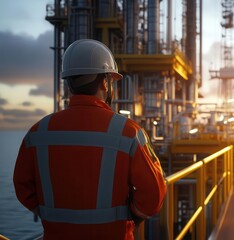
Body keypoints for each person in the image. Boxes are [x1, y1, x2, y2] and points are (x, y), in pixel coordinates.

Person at [13, 39, 166, 240]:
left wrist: (53, 215)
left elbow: (23, 186)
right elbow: (153, 195)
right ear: (105, 82)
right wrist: (134, 214)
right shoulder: (128, 132)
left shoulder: (37, 132)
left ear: (68, 82)